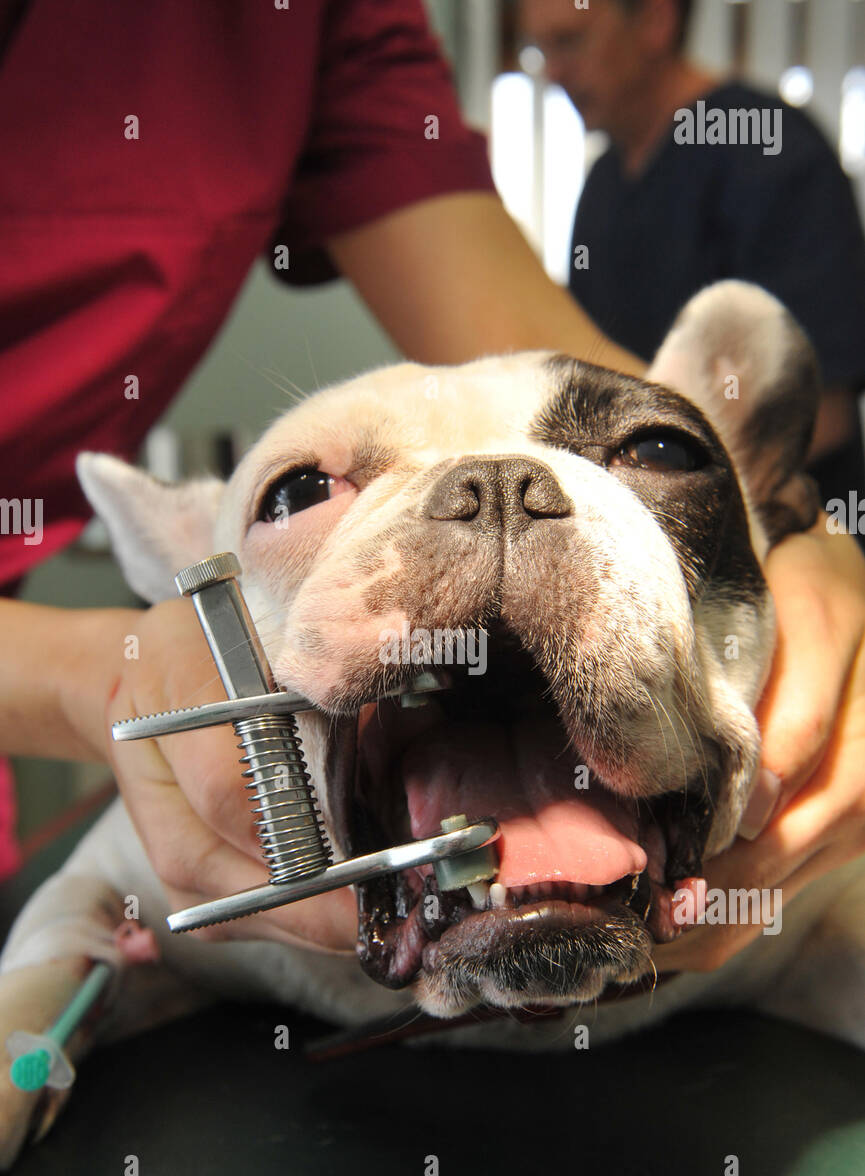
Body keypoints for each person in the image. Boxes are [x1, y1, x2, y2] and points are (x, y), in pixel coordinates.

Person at [0, 0, 863, 989]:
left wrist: (771, 514)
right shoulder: (181, 838)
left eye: (655, 457)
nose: (494, 502)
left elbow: (528, 349)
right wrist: (89, 675)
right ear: (181, 567)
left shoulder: (318, 21)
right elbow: (85, 915)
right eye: (304, 493)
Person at [520, 0, 865, 517]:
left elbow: (822, 414)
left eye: (570, 41)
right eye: (540, 49)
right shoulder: (605, 184)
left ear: (656, 20)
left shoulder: (769, 151)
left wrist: (660, 488)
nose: (553, 71)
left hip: (786, 537)